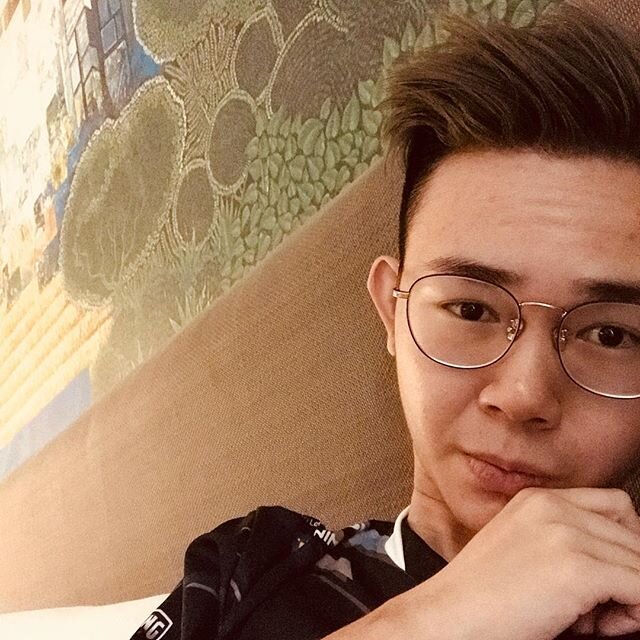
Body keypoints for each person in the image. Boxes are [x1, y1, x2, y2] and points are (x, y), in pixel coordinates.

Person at [131, 2, 640, 639]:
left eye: (609, 335)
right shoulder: (253, 572)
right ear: (392, 311)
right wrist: (435, 620)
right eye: (472, 309)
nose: (523, 396)